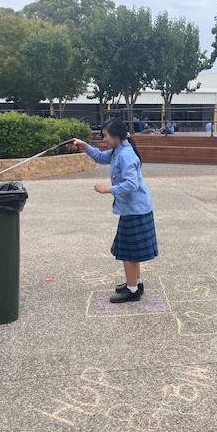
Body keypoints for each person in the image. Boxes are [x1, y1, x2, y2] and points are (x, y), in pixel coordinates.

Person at [73, 121, 158, 303]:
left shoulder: (125, 155)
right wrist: (85, 146)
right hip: (134, 209)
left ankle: (132, 290)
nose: (103, 139)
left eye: (105, 136)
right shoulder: (118, 150)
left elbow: (131, 184)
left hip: (135, 210)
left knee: (128, 252)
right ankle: (136, 283)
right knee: (132, 251)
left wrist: (108, 189)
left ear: (117, 136)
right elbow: (100, 156)